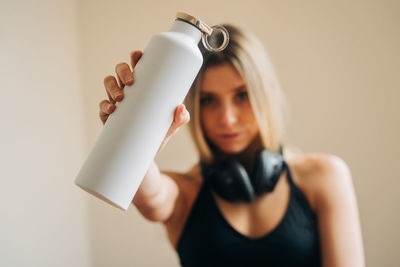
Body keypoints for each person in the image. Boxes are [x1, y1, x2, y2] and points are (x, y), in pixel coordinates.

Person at [99, 24, 365, 267]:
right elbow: (148, 193)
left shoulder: (324, 177)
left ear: (265, 95)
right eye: (208, 100)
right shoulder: (184, 194)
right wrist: (131, 121)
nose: (227, 118)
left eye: (241, 95)